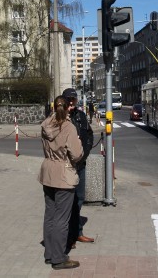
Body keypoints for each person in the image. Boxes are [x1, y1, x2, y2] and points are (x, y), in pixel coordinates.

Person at [38, 95, 83, 270]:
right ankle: (58, 258)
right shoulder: (68, 127)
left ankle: (49, 254)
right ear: (68, 107)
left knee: (50, 215)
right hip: (64, 173)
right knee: (61, 219)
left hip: (47, 171)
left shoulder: (45, 124)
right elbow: (77, 154)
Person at [62, 88, 95, 248]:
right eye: (68, 100)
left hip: (80, 164)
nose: (71, 103)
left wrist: (85, 153)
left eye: (73, 100)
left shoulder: (81, 116)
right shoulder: (60, 117)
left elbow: (89, 135)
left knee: (79, 199)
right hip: (67, 166)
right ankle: (69, 235)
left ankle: (77, 233)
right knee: (67, 201)